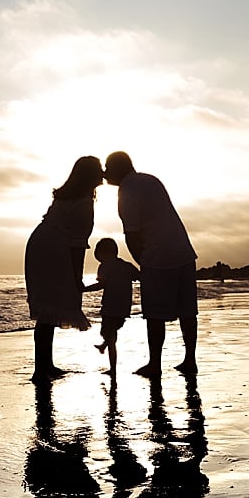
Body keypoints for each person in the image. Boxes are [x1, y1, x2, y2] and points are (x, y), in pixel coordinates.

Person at [103, 151, 197, 378]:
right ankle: (189, 360)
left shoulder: (126, 191)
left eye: (108, 167)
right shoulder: (150, 179)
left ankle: (155, 364)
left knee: (154, 315)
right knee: (187, 311)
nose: (105, 173)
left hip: (158, 257)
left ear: (118, 168)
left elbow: (132, 235)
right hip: (183, 250)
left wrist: (143, 261)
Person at [25, 156, 104, 382]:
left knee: (48, 309)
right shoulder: (83, 203)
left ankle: (45, 365)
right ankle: (40, 370)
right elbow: (77, 244)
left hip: (40, 245)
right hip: (53, 251)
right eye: (99, 169)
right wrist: (76, 278)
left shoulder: (68, 197)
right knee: (50, 308)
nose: (103, 173)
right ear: (89, 175)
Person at [82, 237, 140, 378]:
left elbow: (101, 285)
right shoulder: (126, 266)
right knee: (112, 333)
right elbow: (139, 276)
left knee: (109, 335)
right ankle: (104, 347)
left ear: (103, 253)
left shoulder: (105, 267)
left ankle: (112, 368)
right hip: (124, 307)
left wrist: (83, 289)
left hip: (110, 306)